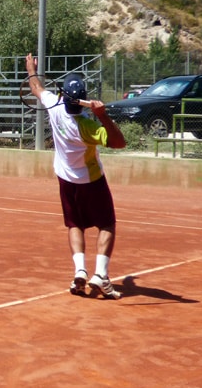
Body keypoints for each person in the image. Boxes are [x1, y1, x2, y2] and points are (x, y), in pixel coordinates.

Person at [25, 54, 126, 299]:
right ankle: (100, 274)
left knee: (74, 224)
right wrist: (102, 116)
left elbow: (36, 87)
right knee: (107, 224)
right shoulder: (87, 127)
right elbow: (119, 142)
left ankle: (80, 270)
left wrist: (31, 68)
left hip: (65, 179)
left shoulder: (54, 105)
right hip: (91, 180)